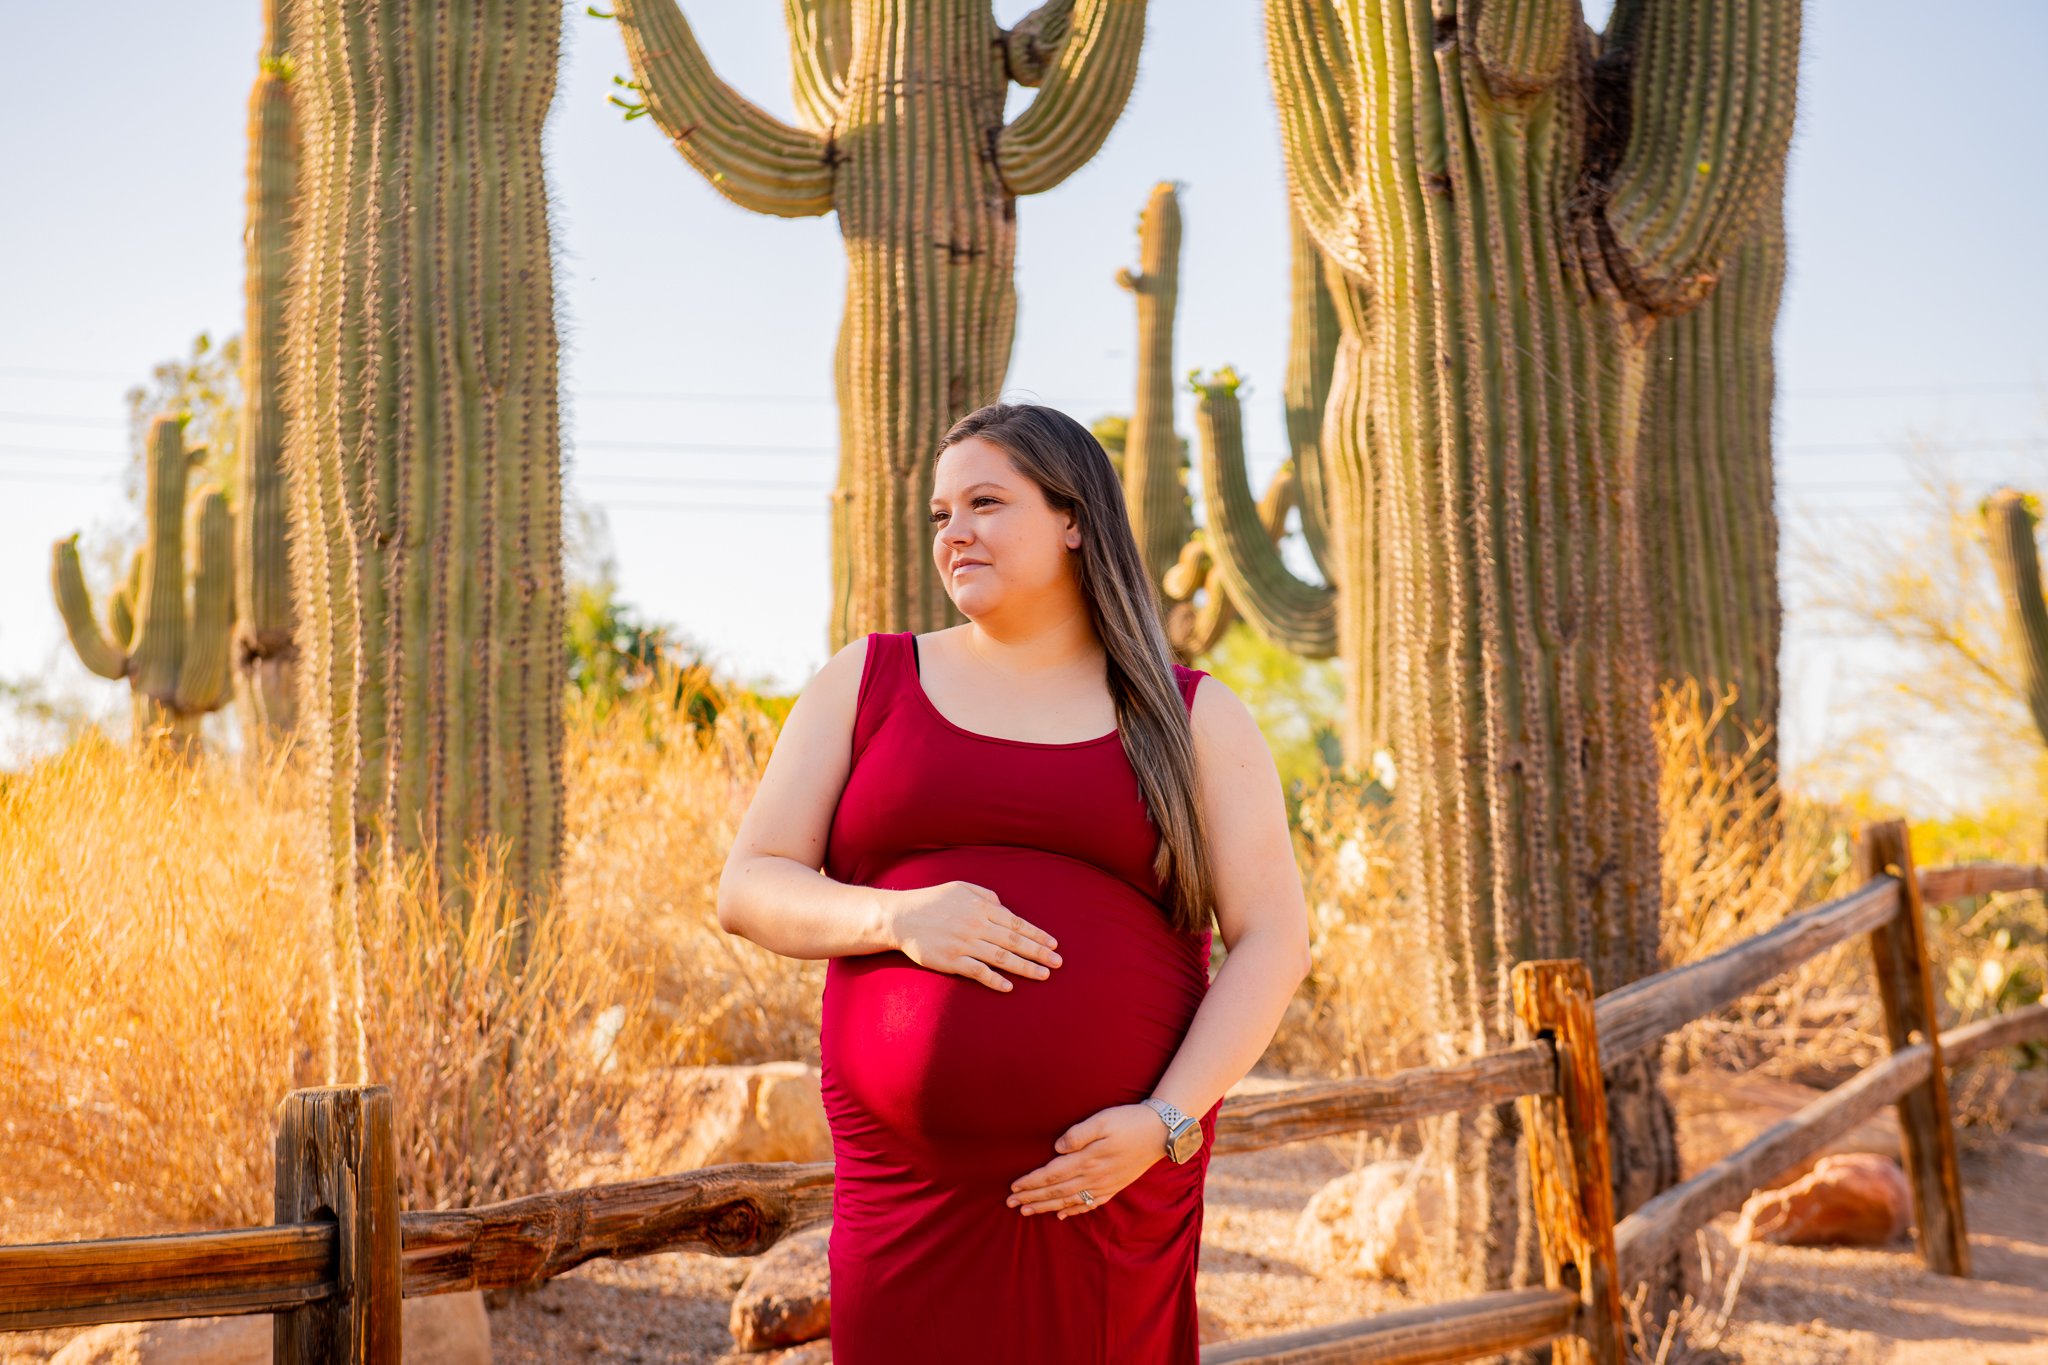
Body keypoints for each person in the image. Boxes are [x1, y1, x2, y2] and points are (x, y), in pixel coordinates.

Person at [715, 401, 1313, 1363]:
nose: (956, 534)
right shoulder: (867, 681)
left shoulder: (1190, 715)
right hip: (905, 1198)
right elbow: (747, 885)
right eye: (941, 515)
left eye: (986, 502)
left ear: (1074, 517)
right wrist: (900, 916)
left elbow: (1275, 939)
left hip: (1102, 1182)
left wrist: (1164, 1124)